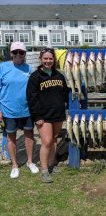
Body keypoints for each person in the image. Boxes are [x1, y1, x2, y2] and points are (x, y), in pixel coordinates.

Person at [26, 48, 68, 183]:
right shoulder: (35, 76)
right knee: (47, 141)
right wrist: (37, 116)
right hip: (43, 115)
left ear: (54, 60)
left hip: (58, 113)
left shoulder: (59, 75)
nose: (48, 61)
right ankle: (44, 170)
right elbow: (31, 98)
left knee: (55, 139)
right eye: (45, 58)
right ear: (41, 59)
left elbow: (65, 93)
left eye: (50, 59)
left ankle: (51, 164)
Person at [0, 41, 39, 178]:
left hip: (26, 109)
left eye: (21, 52)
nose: (18, 55)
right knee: (11, 138)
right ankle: (15, 165)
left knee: (29, 136)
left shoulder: (29, 69)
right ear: (11, 53)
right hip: (8, 110)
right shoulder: (2, 67)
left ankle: (29, 162)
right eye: (15, 52)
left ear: (24, 54)